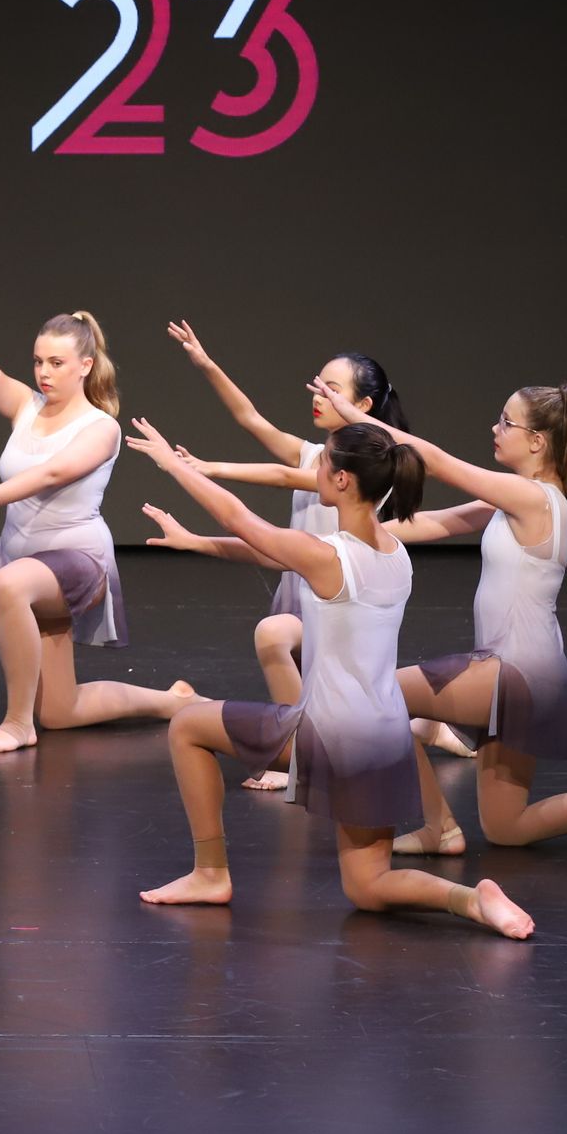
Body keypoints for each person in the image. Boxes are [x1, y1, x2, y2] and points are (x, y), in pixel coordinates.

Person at [128, 419, 535, 940]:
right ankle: (471, 898)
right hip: (387, 739)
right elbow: (272, 550)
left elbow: (243, 520)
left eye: (323, 461)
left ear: (342, 479)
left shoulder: (330, 557)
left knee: (187, 726)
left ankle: (210, 874)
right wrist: (198, 543)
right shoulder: (393, 553)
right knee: (368, 886)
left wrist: (172, 465)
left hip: (331, 734)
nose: (316, 469)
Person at [310, 378, 567, 856]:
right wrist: (350, 539)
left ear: (537, 441)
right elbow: (435, 523)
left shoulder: (535, 499)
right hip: (531, 668)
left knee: (380, 695)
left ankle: (440, 827)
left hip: (516, 669)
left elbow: (436, 461)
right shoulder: (521, 498)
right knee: (507, 827)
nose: (495, 429)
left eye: (506, 423)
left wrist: (356, 417)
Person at [0, 298, 192, 753]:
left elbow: (54, 473)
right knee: (60, 711)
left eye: (56, 363)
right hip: (22, 557)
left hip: (78, 563)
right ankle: (174, 702)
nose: (44, 372)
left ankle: (17, 723)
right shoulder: (27, 407)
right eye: (38, 361)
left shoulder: (101, 428)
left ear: (85, 366)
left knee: (10, 585)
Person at [162, 321, 408, 787]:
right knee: (305, 667)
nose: (317, 395)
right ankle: (419, 729)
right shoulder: (315, 453)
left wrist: (209, 468)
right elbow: (250, 418)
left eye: (331, 388)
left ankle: (298, 753)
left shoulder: (362, 467)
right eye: (317, 384)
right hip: (302, 592)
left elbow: (281, 478)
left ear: (362, 406)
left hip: (338, 597)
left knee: (277, 638)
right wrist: (207, 364)